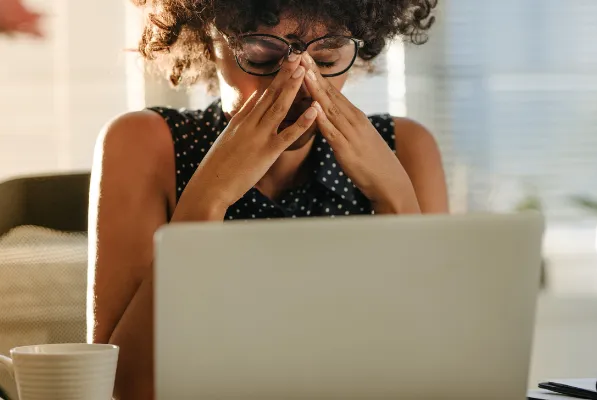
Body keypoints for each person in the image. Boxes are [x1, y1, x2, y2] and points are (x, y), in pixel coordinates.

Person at [88, 0, 447, 398]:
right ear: (210, 41)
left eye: (326, 59)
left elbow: (439, 374)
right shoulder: (144, 144)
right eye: (261, 55)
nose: (300, 84)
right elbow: (124, 387)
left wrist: (395, 199)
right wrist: (209, 197)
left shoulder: (406, 149)